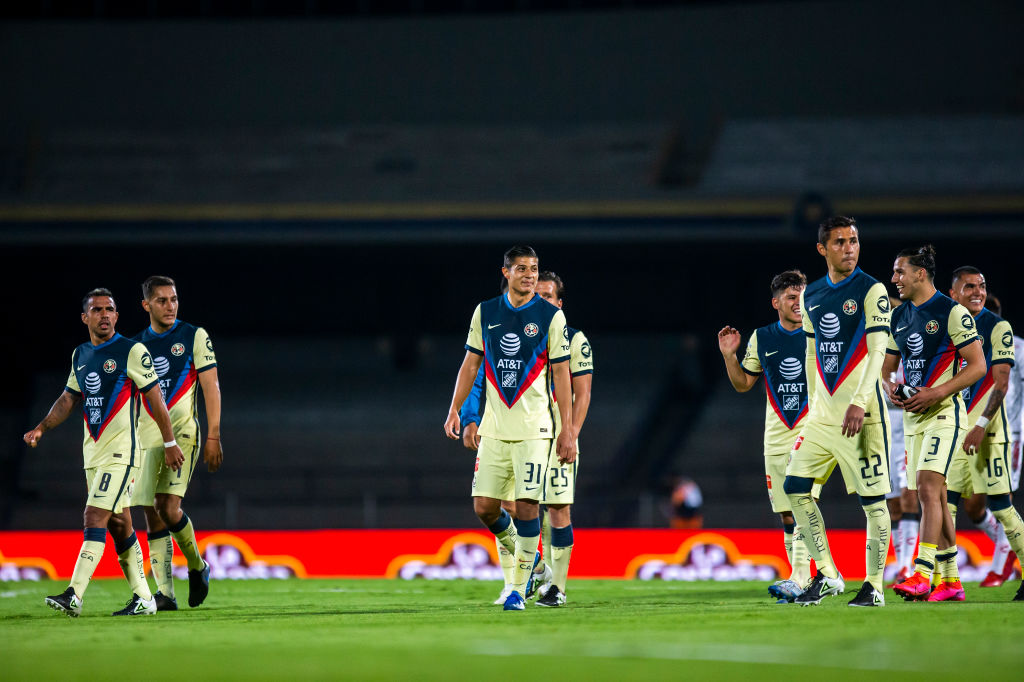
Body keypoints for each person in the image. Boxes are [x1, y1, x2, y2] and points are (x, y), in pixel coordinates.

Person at [24, 288, 184, 617]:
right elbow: (68, 398)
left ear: (117, 315)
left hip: (121, 454)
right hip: (93, 456)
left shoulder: (131, 350)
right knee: (119, 524)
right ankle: (145, 599)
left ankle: (74, 595)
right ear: (85, 317)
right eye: (97, 310)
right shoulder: (80, 354)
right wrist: (42, 427)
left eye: (110, 309)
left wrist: (169, 443)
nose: (105, 315)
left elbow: (155, 399)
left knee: (92, 516)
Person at [443, 246, 575, 611]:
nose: (530, 275)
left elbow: (563, 376)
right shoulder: (485, 312)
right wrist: (456, 410)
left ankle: (516, 590)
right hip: (495, 429)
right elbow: (471, 364)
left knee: (527, 507)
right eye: (522, 268)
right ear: (506, 273)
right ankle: (532, 561)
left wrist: (566, 430)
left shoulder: (550, 316)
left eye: (534, 268)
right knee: (484, 507)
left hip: (535, 429)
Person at [781, 216, 893, 608]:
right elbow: (813, 353)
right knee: (794, 486)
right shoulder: (811, 294)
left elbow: (878, 351)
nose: (849, 248)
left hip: (863, 416)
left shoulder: (872, 289)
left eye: (854, 240)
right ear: (822, 249)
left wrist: (860, 402)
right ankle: (828, 574)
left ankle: (875, 586)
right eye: (841, 242)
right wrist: (814, 407)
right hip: (824, 417)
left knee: (873, 502)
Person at [885, 247, 986, 602]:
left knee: (927, 488)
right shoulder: (899, 318)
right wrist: (893, 390)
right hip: (913, 418)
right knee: (938, 497)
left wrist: (936, 392)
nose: (894, 278)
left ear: (920, 274)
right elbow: (886, 371)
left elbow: (978, 366)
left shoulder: (952, 312)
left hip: (945, 413)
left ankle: (922, 572)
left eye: (900, 272)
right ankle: (952, 581)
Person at [718, 269, 825, 603]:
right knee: (787, 513)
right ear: (776, 302)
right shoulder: (762, 337)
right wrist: (729, 356)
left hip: (813, 429)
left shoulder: (820, 333)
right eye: (791, 297)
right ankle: (809, 577)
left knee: (803, 499)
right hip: (776, 435)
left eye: (802, 296)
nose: (798, 303)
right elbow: (743, 384)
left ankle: (801, 576)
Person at [131, 276, 221, 609]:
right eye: (162, 301)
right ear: (146, 305)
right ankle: (165, 595)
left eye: (174, 299)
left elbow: (211, 386)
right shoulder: (136, 347)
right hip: (146, 438)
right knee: (152, 514)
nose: (170, 306)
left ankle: (198, 567)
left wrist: (214, 434)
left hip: (183, 433)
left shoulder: (194, 336)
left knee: (167, 508)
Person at [945, 268, 1024, 600]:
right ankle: (946, 581)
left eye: (982, 287)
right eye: (969, 287)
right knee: (944, 502)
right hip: (954, 431)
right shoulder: (948, 326)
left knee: (1001, 507)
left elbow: (1002, 383)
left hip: (989, 433)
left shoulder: (998, 327)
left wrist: (980, 425)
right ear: (954, 294)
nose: (977, 292)